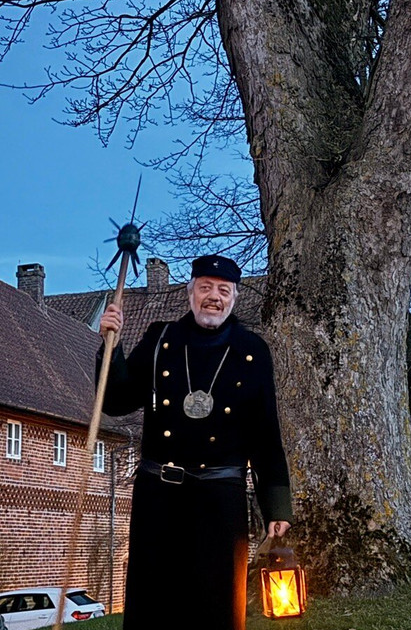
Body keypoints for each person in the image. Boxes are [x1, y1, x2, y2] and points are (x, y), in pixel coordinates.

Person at [96, 254, 293, 630]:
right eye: (205, 287)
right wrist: (111, 347)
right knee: (153, 608)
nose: (214, 297)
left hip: (221, 501)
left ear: (234, 297)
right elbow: (116, 402)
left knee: (218, 608)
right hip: (159, 496)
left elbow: (266, 436)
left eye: (223, 290)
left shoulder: (253, 351)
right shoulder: (160, 339)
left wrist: (277, 509)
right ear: (190, 293)